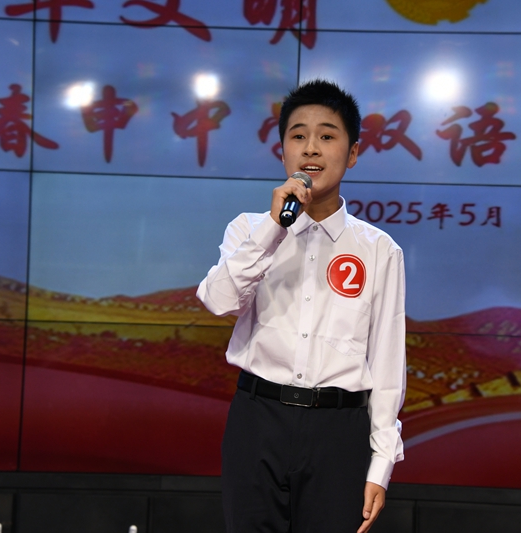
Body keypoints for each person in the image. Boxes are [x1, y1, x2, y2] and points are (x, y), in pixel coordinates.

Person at [197, 79, 406, 533]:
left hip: (339, 429)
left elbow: (388, 363)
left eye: (327, 135)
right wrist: (274, 229)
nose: (311, 147)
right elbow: (218, 301)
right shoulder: (250, 230)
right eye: (298, 136)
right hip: (258, 419)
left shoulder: (379, 250)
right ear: (283, 151)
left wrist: (381, 462)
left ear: (352, 153)